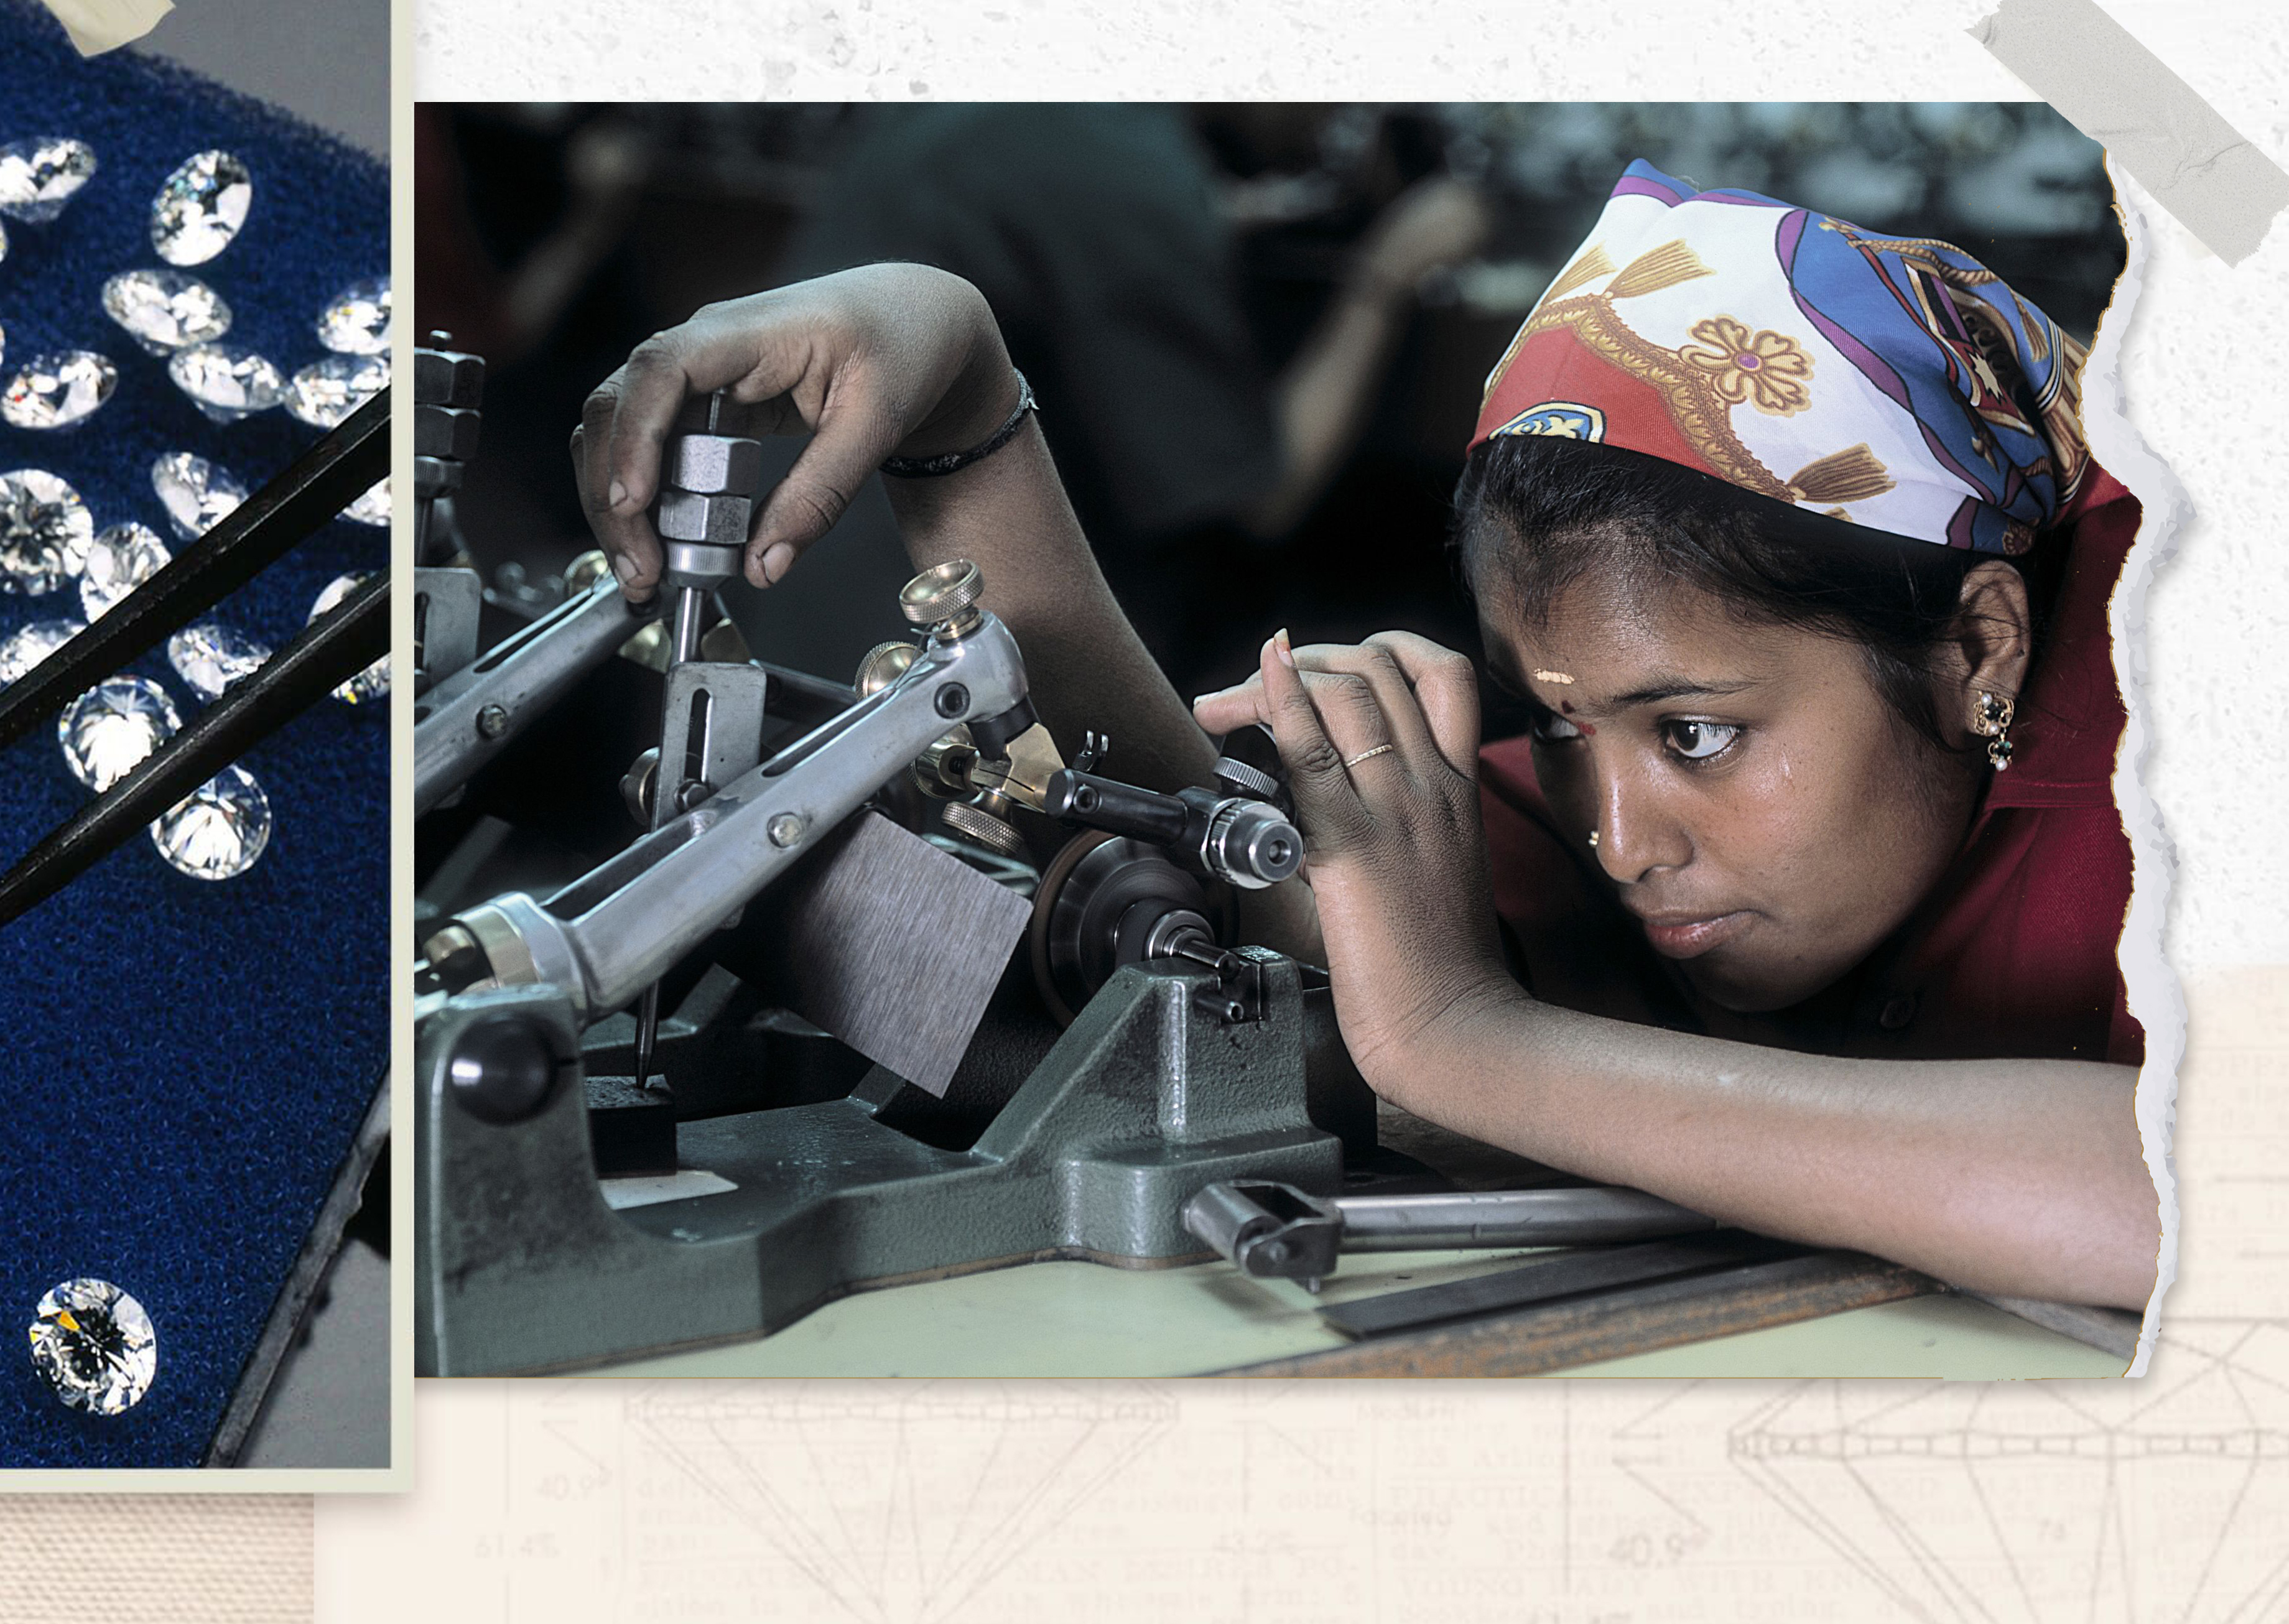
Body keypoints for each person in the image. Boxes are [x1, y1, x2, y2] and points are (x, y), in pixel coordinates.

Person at [569, 160, 2157, 1311]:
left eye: (1696, 731)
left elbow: (2206, 1181)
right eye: (1561, 723)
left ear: (1977, 651)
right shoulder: (1621, 820)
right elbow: (1244, 877)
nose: (1621, 835)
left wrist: (1482, 1045)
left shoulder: (2206, 764)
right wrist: (962, 395)